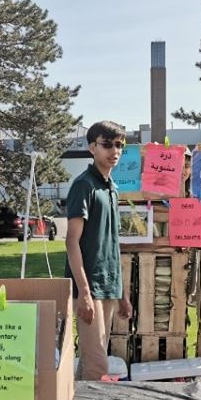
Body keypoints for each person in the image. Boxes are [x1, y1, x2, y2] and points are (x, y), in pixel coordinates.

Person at [65, 121, 132, 380]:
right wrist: (83, 293)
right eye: (107, 145)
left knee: (93, 361)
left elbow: (112, 244)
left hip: (109, 287)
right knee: (97, 366)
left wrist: (122, 293)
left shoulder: (111, 188)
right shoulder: (84, 185)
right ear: (92, 147)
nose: (114, 151)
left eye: (119, 146)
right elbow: (72, 241)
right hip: (88, 287)